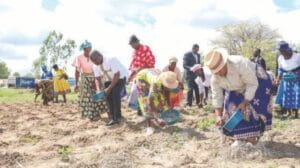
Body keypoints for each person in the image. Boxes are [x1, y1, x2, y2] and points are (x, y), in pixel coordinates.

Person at [205, 49, 272, 146]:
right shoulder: (215, 78)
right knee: (232, 107)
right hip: (236, 86)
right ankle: (241, 136)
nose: (218, 73)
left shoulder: (239, 64)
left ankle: (254, 137)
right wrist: (218, 116)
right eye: (215, 72)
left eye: (219, 70)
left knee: (256, 107)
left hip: (257, 80)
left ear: (224, 64)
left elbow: (252, 83)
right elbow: (217, 97)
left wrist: (245, 101)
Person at [135, 69, 178, 135]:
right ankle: (149, 127)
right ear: (164, 84)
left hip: (151, 76)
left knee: (161, 100)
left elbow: (167, 95)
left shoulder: (167, 83)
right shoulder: (156, 84)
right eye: (168, 86)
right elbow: (150, 102)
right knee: (145, 103)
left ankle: (160, 119)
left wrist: (169, 108)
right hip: (142, 78)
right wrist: (157, 118)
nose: (170, 88)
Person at [90, 50, 127, 126]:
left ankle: (117, 117)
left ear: (100, 56)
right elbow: (98, 79)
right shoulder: (95, 66)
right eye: (93, 61)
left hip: (120, 77)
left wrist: (109, 89)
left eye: (96, 60)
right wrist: (99, 90)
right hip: (110, 80)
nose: (95, 63)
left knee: (115, 94)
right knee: (108, 97)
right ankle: (113, 117)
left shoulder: (111, 59)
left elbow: (117, 74)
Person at [73, 40, 107, 121]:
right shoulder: (79, 58)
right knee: (88, 96)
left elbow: (98, 67)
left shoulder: (94, 57)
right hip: (85, 78)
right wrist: (76, 84)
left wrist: (95, 80)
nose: (88, 50)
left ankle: (98, 112)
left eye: (89, 48)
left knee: (97, 95)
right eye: (86, 49)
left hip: (95, 76)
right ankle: (91, 114)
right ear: (83, 49)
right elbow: (77, 71)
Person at [127, 35, 156, 116]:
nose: (132, 46)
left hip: (147, 73)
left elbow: (151, 62)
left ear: (137, 42)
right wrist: (130, 76)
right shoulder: (134, 52)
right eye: (131, 45)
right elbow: (133, 66)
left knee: (146, 93)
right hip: (138, 75)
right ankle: (140, 110)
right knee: (136, 92)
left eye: (132, 44)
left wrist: (141, 68)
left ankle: (149, 112)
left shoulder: (145, 48)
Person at [274, 41, 300, 118]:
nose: (282, 52)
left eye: (283, 50)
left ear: (287, 49)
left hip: (296, 79)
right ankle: (288, 112)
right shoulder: (280, 58)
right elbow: (280, 69)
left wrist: (295, 73)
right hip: (286, 80)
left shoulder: (297, 56)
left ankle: (295, 113)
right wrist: (278, 78)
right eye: (280, 51)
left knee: (296, 95)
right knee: (286, 96)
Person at [183, 44, 201, 108]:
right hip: (189, 74)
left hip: (196, 75)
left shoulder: (198, 55)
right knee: (190, 89)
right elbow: (184, 65)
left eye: (198, 50)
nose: (197, 51)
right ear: (193, 48)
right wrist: (191, 68)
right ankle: (189, 104)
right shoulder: (187, 54)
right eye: (196, 50)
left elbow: (199, 64)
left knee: (197, 89)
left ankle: (198, 103)